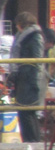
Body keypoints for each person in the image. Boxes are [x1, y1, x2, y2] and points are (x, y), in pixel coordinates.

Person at [6, 12, 44, 143]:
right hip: (22, 77)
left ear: (21, 24)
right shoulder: (22, 36)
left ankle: (33, 140)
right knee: (23, 111)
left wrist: (32, 78)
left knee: (28, 111)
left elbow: (37, 59)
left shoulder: (34, 36)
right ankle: (28, 139)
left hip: (30, 78)